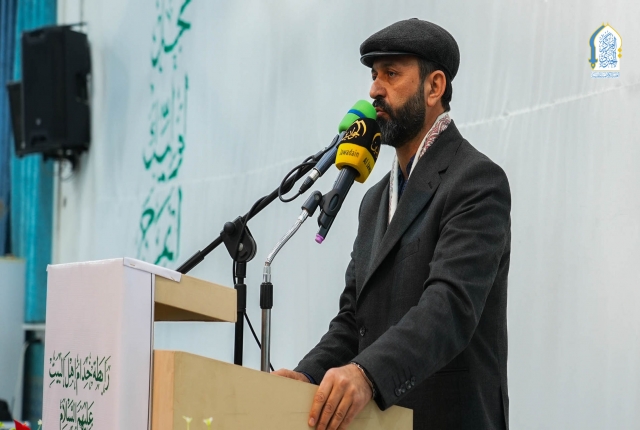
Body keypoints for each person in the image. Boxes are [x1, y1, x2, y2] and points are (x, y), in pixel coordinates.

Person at [274, 18, 511, 430]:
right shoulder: (374, 200)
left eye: (391, 74)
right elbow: (353, 322)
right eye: (373, 75)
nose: (374, 90)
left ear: (434, 87)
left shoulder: (475, 180)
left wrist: (366, 374)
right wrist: (307, 376)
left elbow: (449, 307)